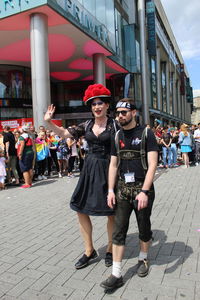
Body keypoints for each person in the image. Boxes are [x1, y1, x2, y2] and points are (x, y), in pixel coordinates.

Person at [44, 83, 119, 269]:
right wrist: (48, 122)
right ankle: (89, 250)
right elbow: (63, 134)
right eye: (93, 104)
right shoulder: (86, 125)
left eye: (100, 103)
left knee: (111, 212)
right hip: (89, 170)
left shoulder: (116, 125)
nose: (97, 107)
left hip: (110, 168)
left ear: (107, 105)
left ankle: (110, 249)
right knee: (81, 208)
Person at [100, 98, 158, 291]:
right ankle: (116, 273)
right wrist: (110, 190)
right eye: (117, 113)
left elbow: (152, 166)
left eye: (124, 112)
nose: (120, 116)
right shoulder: (116, 136)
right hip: (123, 190)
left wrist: (144, 192)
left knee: (144, 227)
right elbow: (113, 165)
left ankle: (143, 259)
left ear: (133, 112)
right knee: (118, 230)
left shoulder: (146, 133)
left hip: (143, 190)